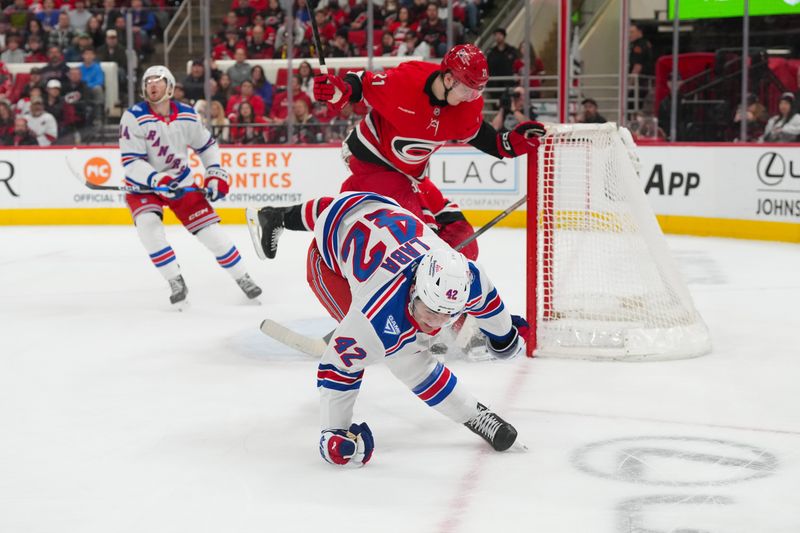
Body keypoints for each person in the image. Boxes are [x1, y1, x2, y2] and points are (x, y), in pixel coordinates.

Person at [295, 191, 529, 466]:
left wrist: (504, 337)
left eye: (448, 316)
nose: (436, 323)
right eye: (430, 311)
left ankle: (472, 413)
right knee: (403, 355)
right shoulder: (375, 314)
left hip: (380, 205)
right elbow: (338, 365)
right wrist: (332, 433)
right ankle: (473, 414)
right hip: (328, 260)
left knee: (402, 346)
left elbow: (489, 304)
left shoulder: (469, 279)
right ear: (415, 289)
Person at [248, 44, 543, 261]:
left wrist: (507, 145)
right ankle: (413, 309)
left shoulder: (466, 107)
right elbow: (361, 84)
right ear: (450, 78)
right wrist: (341, 92)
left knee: (459, 236)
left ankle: (277, 217)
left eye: (478, 91)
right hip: (370, 157)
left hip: (410, 174)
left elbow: (479, 135)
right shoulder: (406, 81)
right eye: (469, 89)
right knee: (415, 233)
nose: (473, 97)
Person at [118, 65, 263, 305]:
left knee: (213, 235)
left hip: (180, 182)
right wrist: (157, 180)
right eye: (148, 81)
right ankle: (175, 279)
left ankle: (243, 277)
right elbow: (132, 162)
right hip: (143, 186)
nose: (152, 85)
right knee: (149, 229)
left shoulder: (187, 114)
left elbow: (206, 146)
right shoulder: (133, 116)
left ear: (170, 85)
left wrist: (215, 173)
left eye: (158, 80)